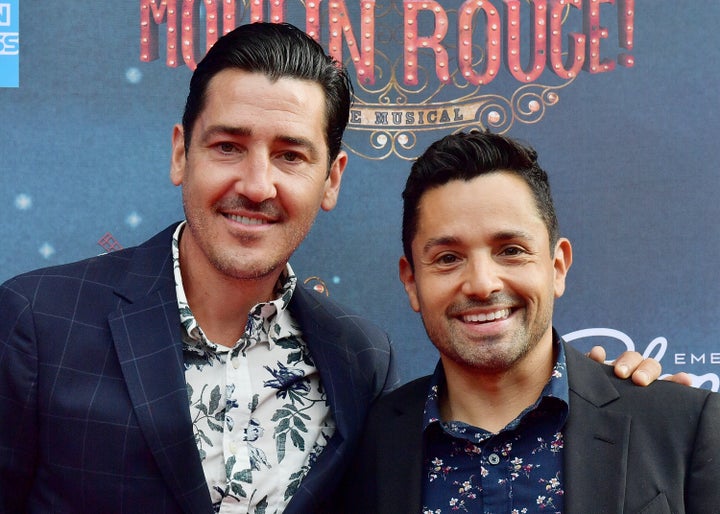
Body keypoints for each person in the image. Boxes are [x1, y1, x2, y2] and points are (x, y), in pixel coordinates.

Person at [0, 23, 676, 514]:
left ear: (331, 179)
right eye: (229, 146)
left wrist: (618, 398)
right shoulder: (39, 322)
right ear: (182, 154)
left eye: (291, 155)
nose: (257, 184)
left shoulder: (357, 359)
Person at [341, 131, 720, 513]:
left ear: (557, 267)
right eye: (448, 258)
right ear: (411, 282)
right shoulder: (368, 446)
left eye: (511, 251)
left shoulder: (682, 426)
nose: (482, 284)